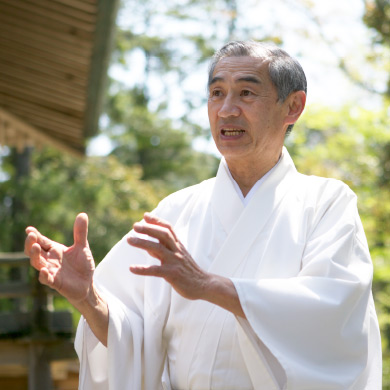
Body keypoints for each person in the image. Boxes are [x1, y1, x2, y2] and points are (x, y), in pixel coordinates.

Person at [25, 41, 382, 390]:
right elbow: (129, 340)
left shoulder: (325, 204)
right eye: (216, 93)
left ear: (293, 106)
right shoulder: (176, 211)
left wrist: (206, 285)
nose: (227, 110)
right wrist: (87, 297)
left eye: (246, 93)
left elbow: (329, 316)